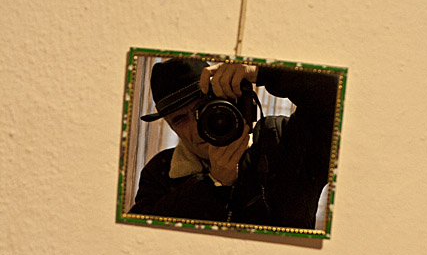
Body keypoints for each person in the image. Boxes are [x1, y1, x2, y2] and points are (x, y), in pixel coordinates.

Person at [129, 58, 338, 229]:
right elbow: (142, 235)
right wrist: (213, 184)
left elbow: (337, 96)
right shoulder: (160, 172)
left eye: (203, 108)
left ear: (228, 99)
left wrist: (265, 71)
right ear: (171, 127)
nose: (197, 126)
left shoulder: (283, 138)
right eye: (180, 119)